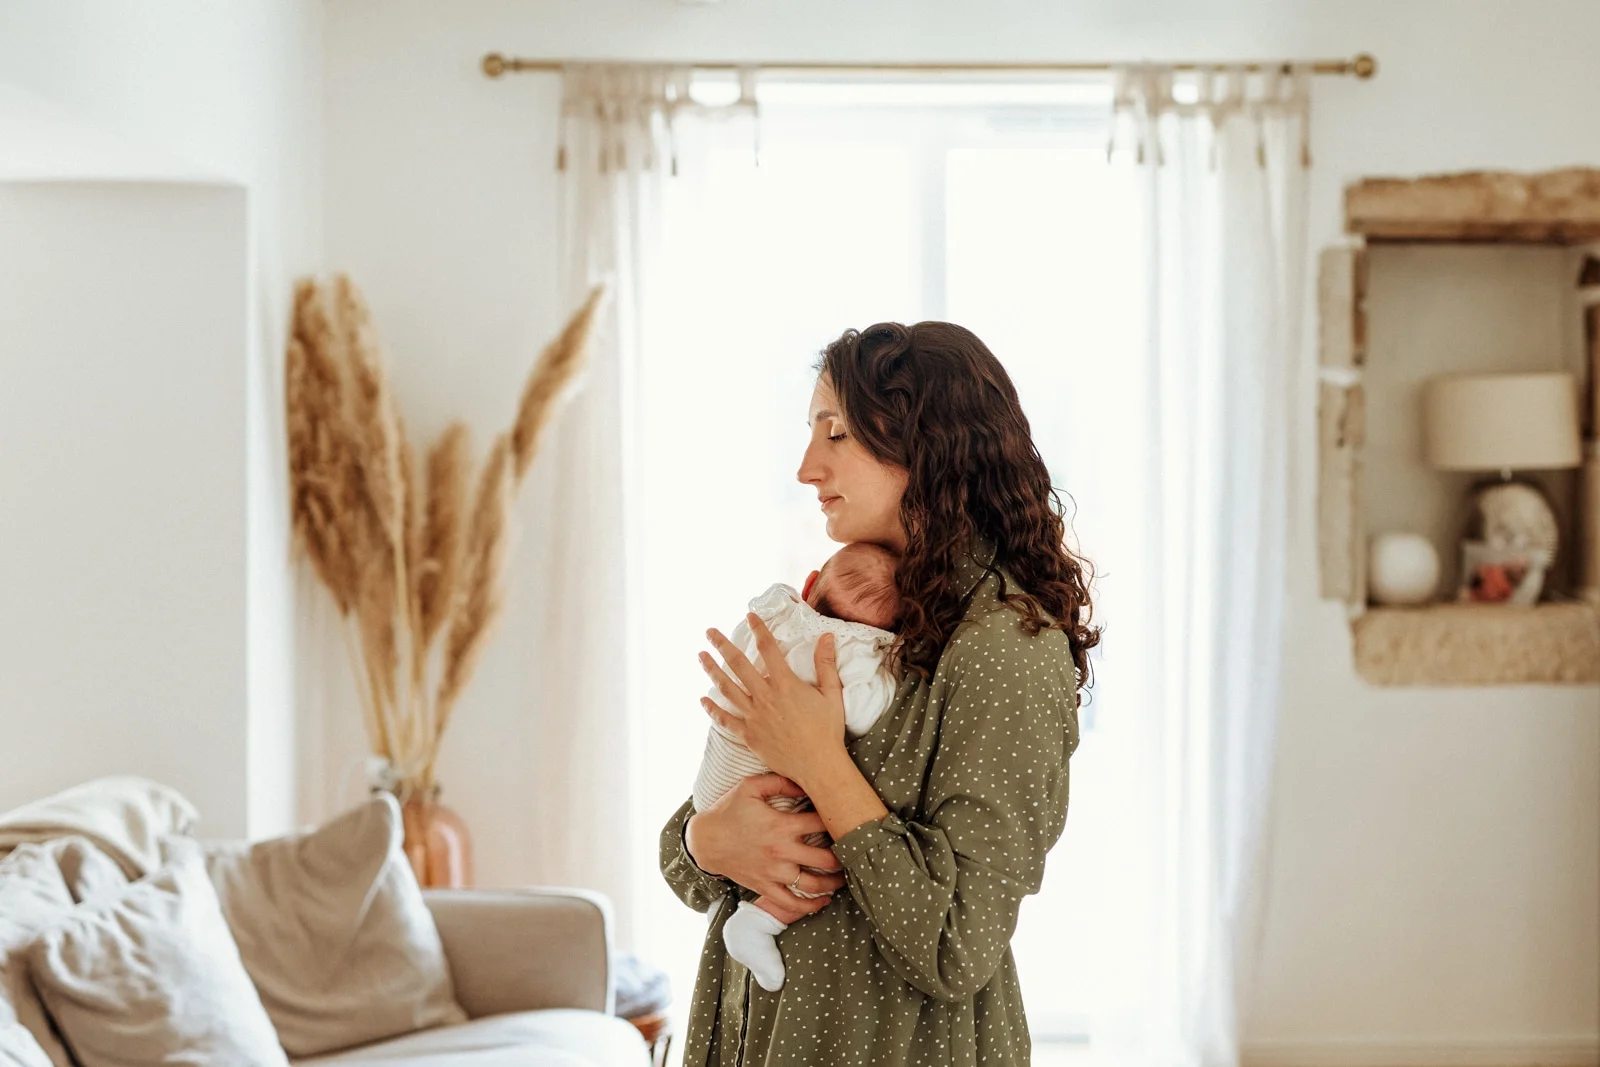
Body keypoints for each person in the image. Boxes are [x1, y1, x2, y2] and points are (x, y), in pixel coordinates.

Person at [658, 320, 1098, 1067]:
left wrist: (820, 761)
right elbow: (693, 832)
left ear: (925, 443)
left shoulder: (1005, 647)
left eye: (835, 432)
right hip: (752, 1033)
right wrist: (707, 842)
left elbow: (956, 946)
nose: (805, 466)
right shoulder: (835, 610)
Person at [694, 542, 901, 992]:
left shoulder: (773, 616)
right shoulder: (853, 651)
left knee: (737, 839)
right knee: (825, 866)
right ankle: (757, 918)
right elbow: (863, 712)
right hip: (773, 785)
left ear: (809, 585)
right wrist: (891, 672)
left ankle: (723, 898)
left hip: (717, 781)